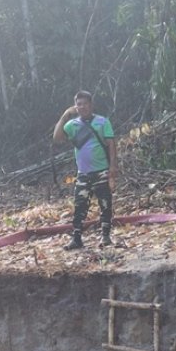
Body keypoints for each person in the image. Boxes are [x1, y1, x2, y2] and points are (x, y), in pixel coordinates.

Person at [53, 91, 118, 250]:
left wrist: (113, 167)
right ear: (75, 106)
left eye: (85, 103)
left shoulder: (103, 122)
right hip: (83, 173)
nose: (82, 107)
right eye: (79, 104)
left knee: (105, 204)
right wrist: (65, 116)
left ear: (91, 104)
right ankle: (76, 238)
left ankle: (105, 236)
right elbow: (57, 137)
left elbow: (111, 144)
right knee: (80, 205)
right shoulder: (72, 125)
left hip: (102, 170)